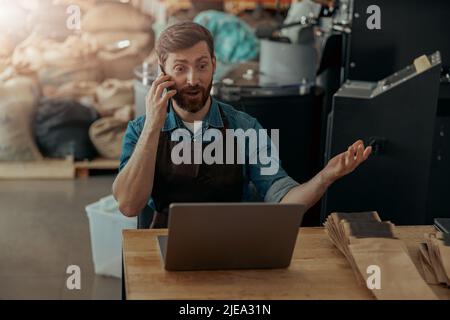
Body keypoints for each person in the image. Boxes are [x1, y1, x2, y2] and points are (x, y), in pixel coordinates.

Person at [112, 22, 371, 228]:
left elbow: (282, 198)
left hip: (230, 247)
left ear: (214, 65)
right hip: (158, 251)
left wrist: (325, 177)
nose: (193, 79)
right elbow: (128, 205)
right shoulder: (140, 130)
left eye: (202, 66)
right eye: (180, 68)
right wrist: (153, 127)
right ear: (163, 73)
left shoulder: (245, 129)